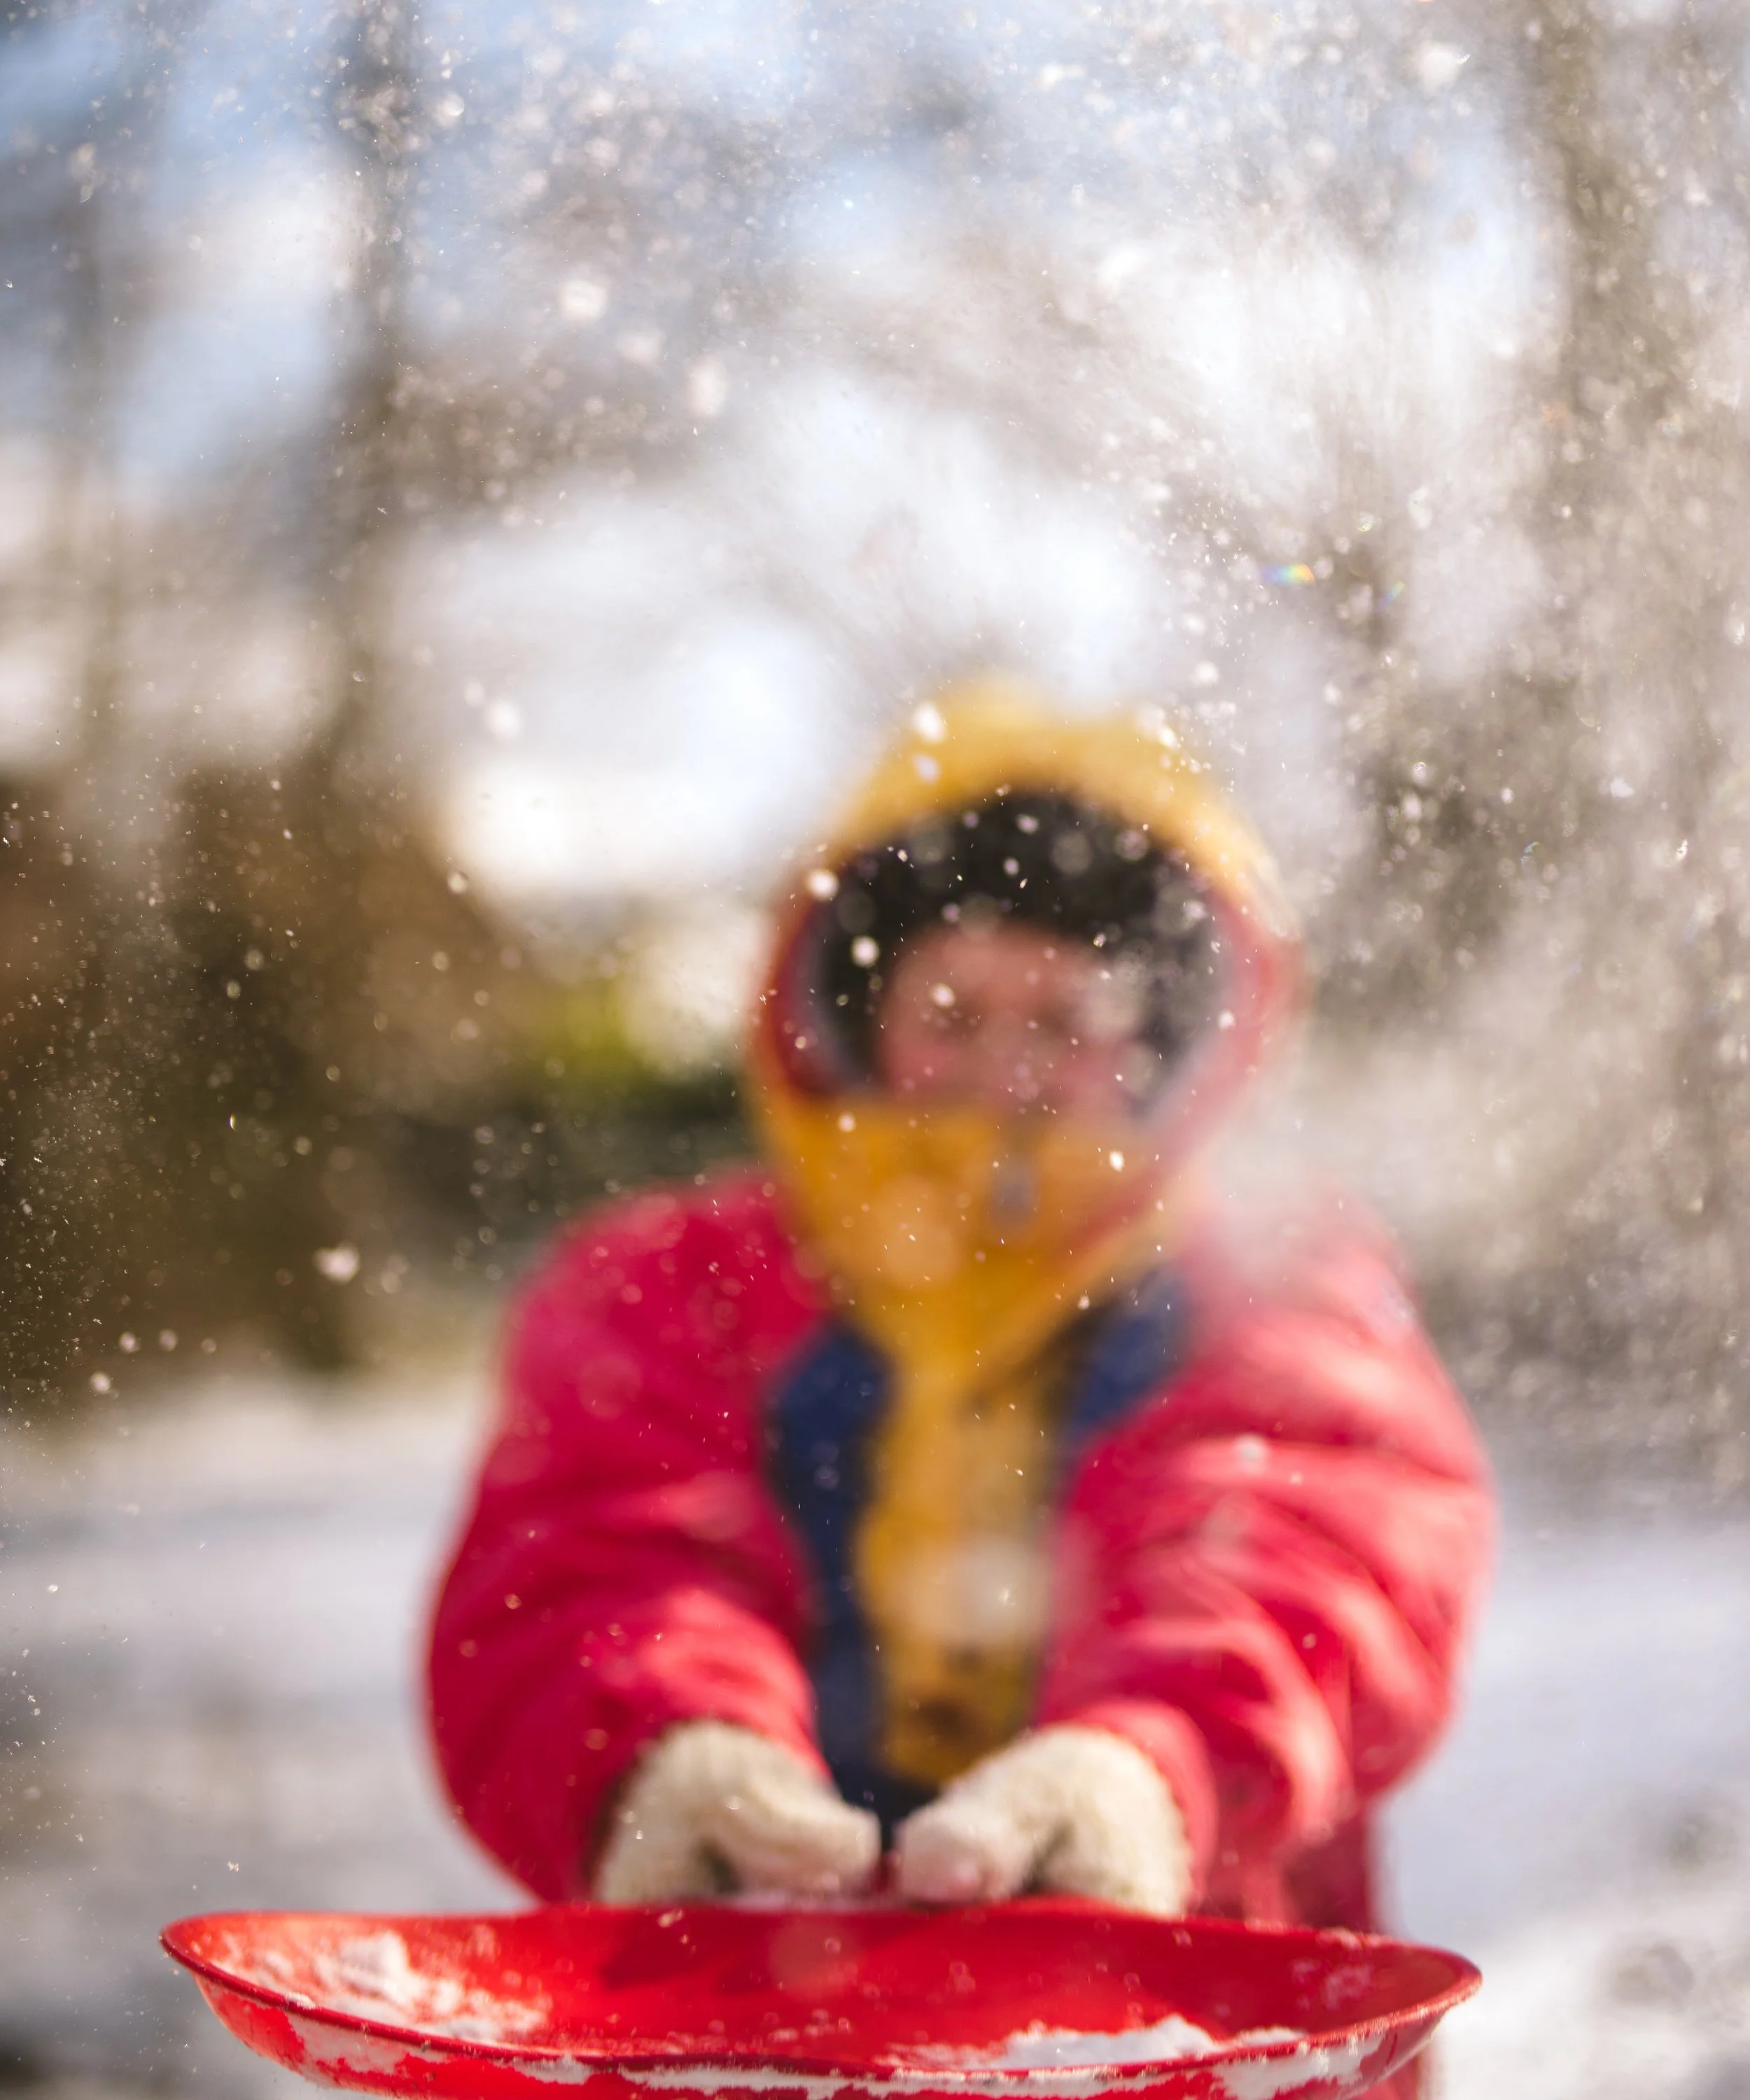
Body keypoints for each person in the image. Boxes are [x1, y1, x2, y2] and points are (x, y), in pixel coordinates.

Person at [428, 682, 1493, 1983]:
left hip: (1185, 2011)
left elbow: (1319, 1537)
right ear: (857, 1018)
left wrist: (1148, 1766)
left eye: (1065, 1021)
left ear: (1156, 1047)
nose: (1009, 1072)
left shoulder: (1279, 1279)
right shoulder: (664, 1286)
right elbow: (593, 1551)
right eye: (954, 1015)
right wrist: (668, 1748)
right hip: (744, 2010)